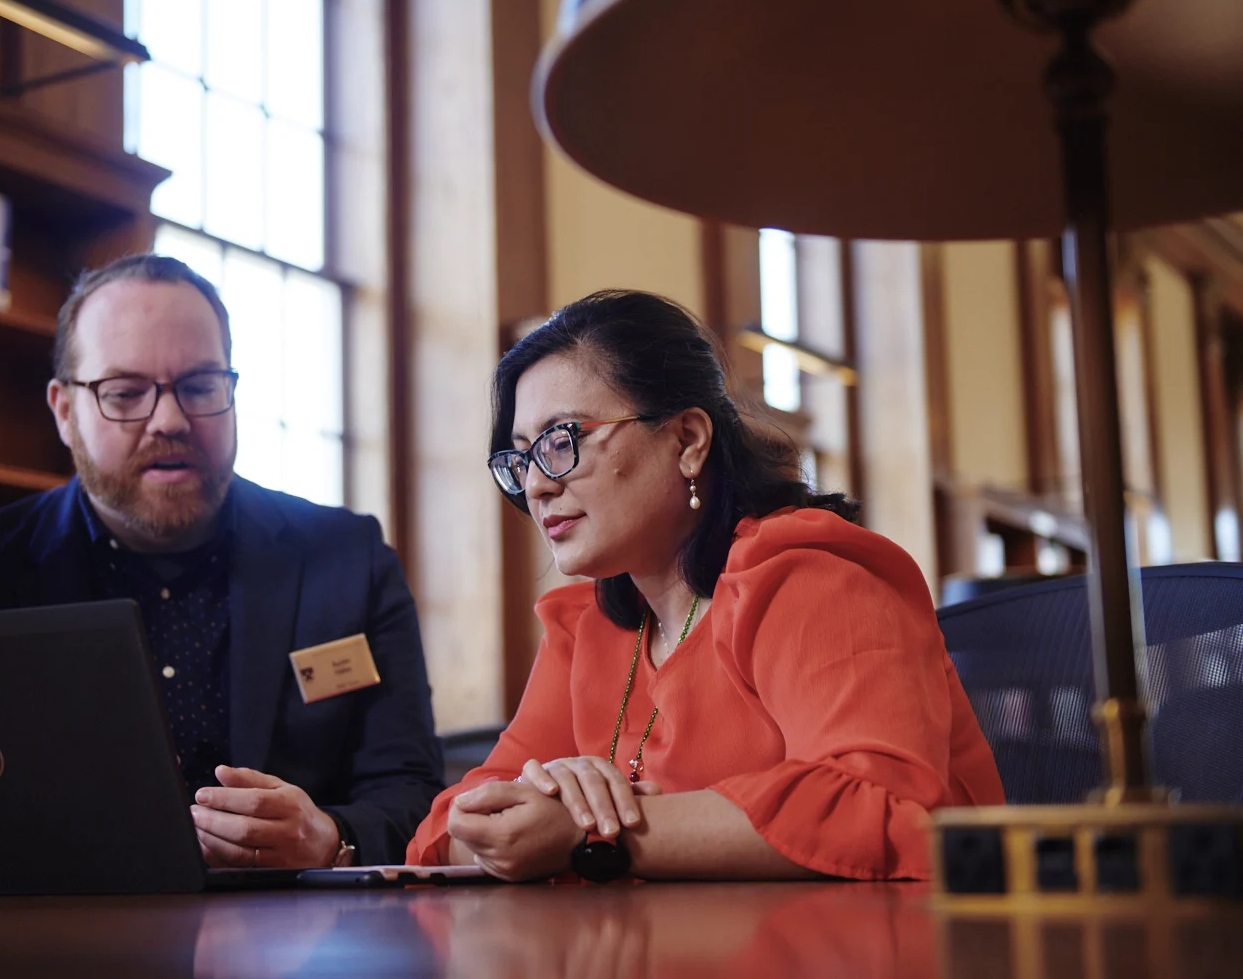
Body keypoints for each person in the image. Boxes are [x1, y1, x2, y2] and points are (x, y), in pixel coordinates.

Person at [405, 289, 1003, 881]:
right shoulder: (592, 623)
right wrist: (533, 810)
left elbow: (880, 805)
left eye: (562, 441)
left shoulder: (809, 575)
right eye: (520, 458)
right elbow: (443, 832)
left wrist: (589, 831)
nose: (536, 485)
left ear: (688, 440)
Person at [0, 254, 442, 868]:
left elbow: (413, 790)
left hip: (288, 942)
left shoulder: (348, 560)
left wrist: (330, 837)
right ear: (65, 412)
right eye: (125, 393)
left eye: (200, 386)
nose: (171, 420)